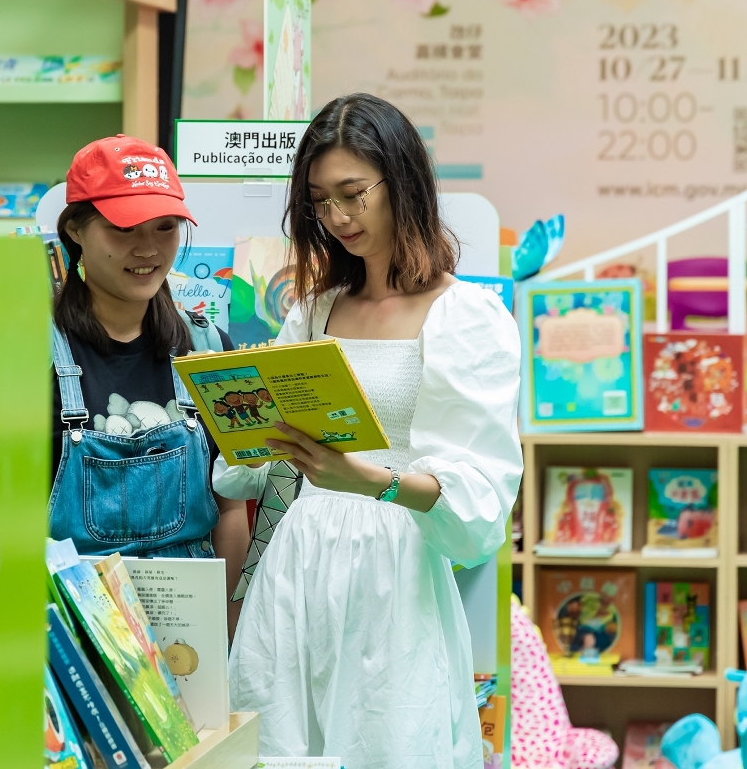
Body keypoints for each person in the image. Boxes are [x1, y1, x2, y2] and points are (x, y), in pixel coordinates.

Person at [214, 94, 522, 769]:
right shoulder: (316, 308)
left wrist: (370, 481)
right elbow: (253, 463)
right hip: (299, 559)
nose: (337, 218)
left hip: (396, 569)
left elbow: (481, 497)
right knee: (281, 744)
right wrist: (245, 416)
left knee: (388, 737)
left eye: (353, 194)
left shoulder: (465, 316)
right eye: (319, 201)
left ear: (402, 182)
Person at [48, 134, 248, 629]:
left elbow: (231, 509)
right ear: (75, 229)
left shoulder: (209, 347)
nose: (149, 249)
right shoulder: (30, 355)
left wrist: (225, 632)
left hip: (191, 630)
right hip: (78, 624)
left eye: (165, 227)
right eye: (123, 228)